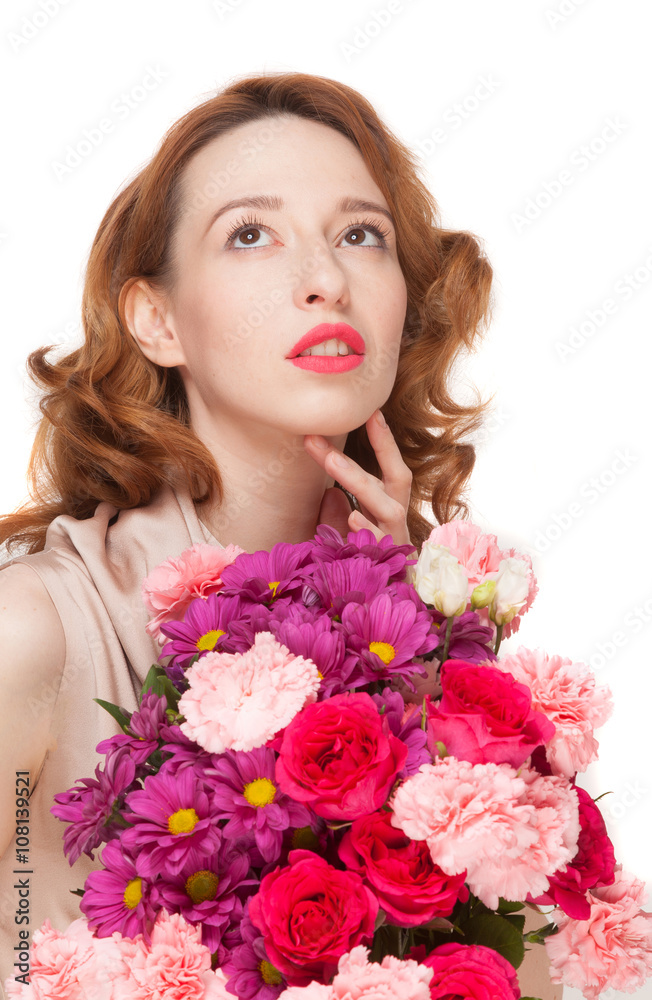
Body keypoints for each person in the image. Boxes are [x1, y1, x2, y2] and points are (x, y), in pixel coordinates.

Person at [0, 71, 558, 997]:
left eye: (360, 235)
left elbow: (520, 970)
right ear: (158, 320)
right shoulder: (37, 632)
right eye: (250, 234)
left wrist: (422, 662)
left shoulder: (439, 632)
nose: (326, 279)